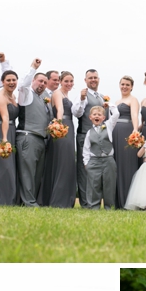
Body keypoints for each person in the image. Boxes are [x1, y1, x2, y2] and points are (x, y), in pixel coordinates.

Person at [16, 59, 51, 207]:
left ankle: (31, 200)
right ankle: (29, 202)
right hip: (27, 136)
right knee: (27, 172)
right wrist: (33, 68)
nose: (42, 84)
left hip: (41, 139)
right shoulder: (27, 94)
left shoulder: (44, 97)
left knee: (37, 173)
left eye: (45, 82)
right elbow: (22, 84)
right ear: (33, 81)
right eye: (40, 81)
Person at [72, 69, 109, 207]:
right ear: (85, 80)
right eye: (90, 78)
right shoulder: (83, 95)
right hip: (85, 136)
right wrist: (82, 99)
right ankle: (86, 203)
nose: (93, 80)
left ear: (98, 79)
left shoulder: (101, 96)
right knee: (85, 170)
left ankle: (96, 201)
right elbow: (76, 112)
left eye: (95, 77)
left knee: (97, 171)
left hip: (100, 138)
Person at [42, 70, 78, 208]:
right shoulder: (57, 93)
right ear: (61, 82)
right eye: (66, 81)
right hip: (62, 127)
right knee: (62, 163)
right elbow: (60, 110)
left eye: (71, 81)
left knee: (67, 162)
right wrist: (59, 125)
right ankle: (58, 200)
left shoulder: (66, 94)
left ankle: (66, 198)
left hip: (69, 127)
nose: (69, 83)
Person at [0, 70, 19, 205]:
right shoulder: (0, 97)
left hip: (12, 130)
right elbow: (5, 118)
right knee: (2, 165)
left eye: (14, 80)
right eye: (8, 80)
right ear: (2, 82)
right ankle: (0, 199)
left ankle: (10, 198)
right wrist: (5, 138)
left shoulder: (13, 97)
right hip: (1, 131)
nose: (11, 83)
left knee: (10, 165)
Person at [112, 76, 141, 209]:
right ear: (119, 85)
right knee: (116, 166)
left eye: (127, 85)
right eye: (122, 84)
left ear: (132, 87)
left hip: (126, 132)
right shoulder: (117, 101)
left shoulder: (133, 100)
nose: (124, 86)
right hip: (115, 133)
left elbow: (134, 115)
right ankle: (118, 201)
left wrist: (135, 130)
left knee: (127, 165)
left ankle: (128, 201)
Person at [81, 105, 119, 210]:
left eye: (99, 114)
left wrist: (109, 105)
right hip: (93, 161)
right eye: (94, 114)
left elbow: (116, 114)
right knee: (93, 185)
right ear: (90, 117)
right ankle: (93, 207)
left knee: (109, 185)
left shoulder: (109, 126)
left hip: (108, 160)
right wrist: (86, 163)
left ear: (103, 117)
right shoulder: (89, 133)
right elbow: (86, 149)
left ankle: (109, 207)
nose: (97, 116)